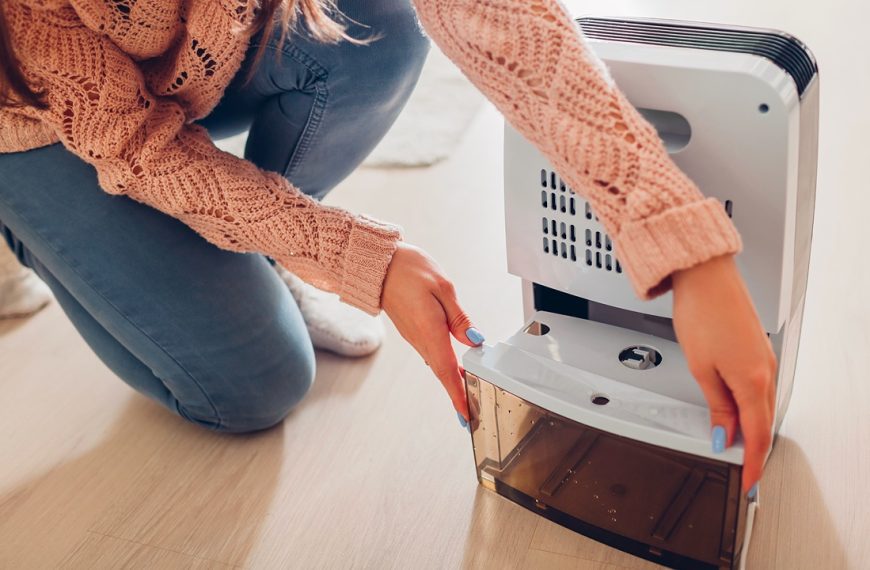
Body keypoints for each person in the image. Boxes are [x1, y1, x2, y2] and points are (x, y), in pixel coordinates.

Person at [0, 0, 775, 494]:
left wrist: (679, 243)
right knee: (252, 388)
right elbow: (137, 146)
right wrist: (356, 257)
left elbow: (495, 15)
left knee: (381, 26)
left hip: (191, 58)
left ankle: (254, 248)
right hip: (38, 111)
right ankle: (33, 231)